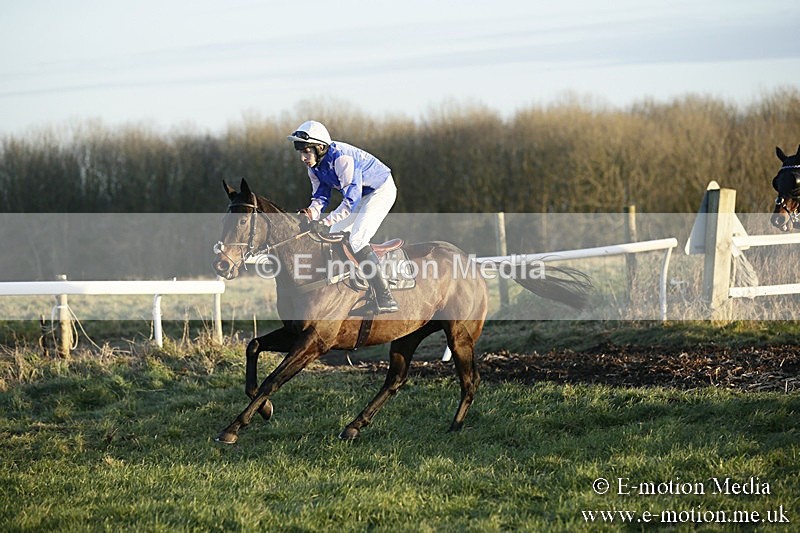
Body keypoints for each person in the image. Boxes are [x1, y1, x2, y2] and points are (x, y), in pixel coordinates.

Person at [288, 120, 399, 313]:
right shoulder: (313, 167)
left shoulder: (342, 160)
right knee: (334, 235)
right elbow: (321, 197)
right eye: (300, 152)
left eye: (306, 151)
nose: (303, 158)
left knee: (357, 239)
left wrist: (325, 221)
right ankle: (354, 287)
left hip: (380, 190)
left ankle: (385, 298)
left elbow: (350, 202)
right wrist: (310, 214)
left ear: (320, 148)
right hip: (361, 195)